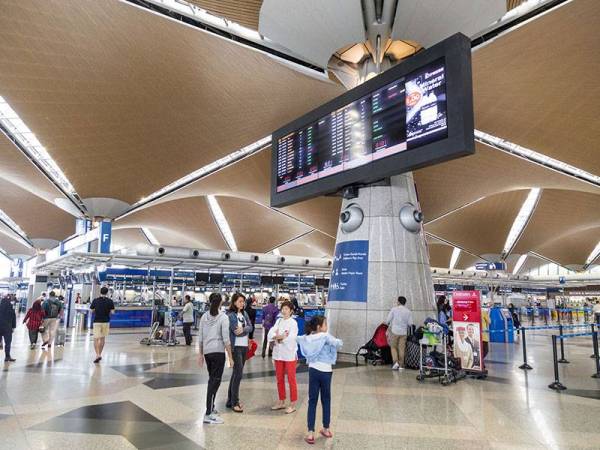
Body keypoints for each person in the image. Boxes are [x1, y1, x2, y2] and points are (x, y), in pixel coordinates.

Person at [297, 316, 343, 445]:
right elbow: (338, 343)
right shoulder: (325, 336)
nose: (326, 327)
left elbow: (298, 339)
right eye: (325, 324)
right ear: (319, 327)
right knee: (326, 400)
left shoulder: (308, 338)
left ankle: (310, 433)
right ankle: (326, 429)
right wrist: (335, 340)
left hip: (313, 371)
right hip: (326, 372)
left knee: (312, 401)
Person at [198, 292, 233, 425]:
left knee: (212, 380)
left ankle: (211, 408)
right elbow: (226, 339)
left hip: (207, 353)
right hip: (218, 353)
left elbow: (200, 337)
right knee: (214, 382)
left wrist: (200, 354)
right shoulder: (223, 317)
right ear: (220, 303)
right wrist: (230, 356)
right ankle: (208, 413)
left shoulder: (204, 317)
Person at [268, 300, 299, 414]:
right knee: (279, 379)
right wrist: (279, 336)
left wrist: (279, 337)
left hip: (289, 354)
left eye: (287, 309)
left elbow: (292, 338)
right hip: (278, 354)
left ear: (291, 311)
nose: (284, 311)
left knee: (291, 379)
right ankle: (281, 401)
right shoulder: (279, 321)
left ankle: (293, 403)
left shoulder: (293, 323)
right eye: (283, 308)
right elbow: (270, 334)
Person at [226, 293, 252, 413]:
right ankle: (234, 402)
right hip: (235, 347)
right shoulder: (230, 315)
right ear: (234, 302)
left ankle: (230, 400)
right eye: (240, 301)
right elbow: (236, 331)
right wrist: (243, 330)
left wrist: (244, 329)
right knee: (238, 374)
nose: (242, 303)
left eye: (243, 301)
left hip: (244, 347)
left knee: (236, 374)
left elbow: (250, 327)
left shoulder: (245, 313)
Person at [385, 296, 413, 370]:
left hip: (394, 331)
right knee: (401, 348)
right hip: (403, 332)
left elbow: (388, 320)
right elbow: (410, 323)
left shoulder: (394, 309)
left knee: (393, 347)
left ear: (399, 302)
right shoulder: (408, 311)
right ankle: (401, 365)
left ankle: (395, 363)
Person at [90, 286, 115, 363]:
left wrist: (96, 310)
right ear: (107, 293)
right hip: (106, 321)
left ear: (100, 292)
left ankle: (97, 354)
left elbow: (91, 311)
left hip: (97, 321)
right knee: (102, 339)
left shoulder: (95, 300)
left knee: (96, 339)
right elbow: (113, 312)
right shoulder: (110, 301)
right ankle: (99, 354)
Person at [0, 296, 16, 362]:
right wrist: (13, 327)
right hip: (8, 328)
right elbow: (14, 319)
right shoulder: (11, 309)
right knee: (8, 343)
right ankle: (7, 357)